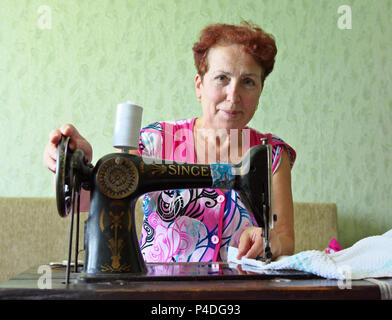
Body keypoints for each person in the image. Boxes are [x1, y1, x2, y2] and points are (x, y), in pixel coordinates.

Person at [44, 21, 296, 264]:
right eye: (222, 78)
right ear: (199, 86)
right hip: (159, 289)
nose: (233, 95)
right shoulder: (153, 142)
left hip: (240, 291)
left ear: (261, 90)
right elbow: (86, 203)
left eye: (248, 82)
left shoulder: (271, 154)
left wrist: (269, 239)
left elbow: (285, 239)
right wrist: (78, 166)